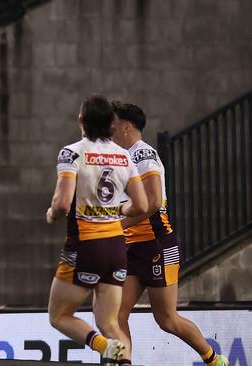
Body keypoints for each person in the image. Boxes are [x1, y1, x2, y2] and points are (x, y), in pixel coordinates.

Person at [111, 101, 229, 366]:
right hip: (132, 248)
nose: (110, 129)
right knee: (116, 314)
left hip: (157, 246)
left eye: (113, 124)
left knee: (167, 320)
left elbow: (152, 203)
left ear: (126, 126)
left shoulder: (143, 155)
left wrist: (118, 226)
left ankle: (213, 360)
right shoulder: (122, 158)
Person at [45, 95, 148, 366]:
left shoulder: (72, 153)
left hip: (85, 247)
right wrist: (119, 210)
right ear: (111, 125)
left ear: (81, 120)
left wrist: (51, 214)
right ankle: (119, 354)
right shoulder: (125, 156)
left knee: (59, 316)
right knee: (109, 322)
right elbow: (142, 205)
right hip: (116, 246)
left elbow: (62, 203)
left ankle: (103, 346)